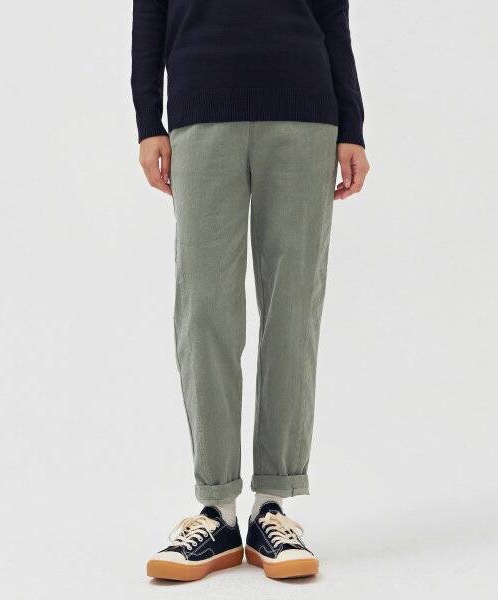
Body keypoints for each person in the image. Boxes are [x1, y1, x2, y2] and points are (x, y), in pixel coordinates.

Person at [132, 0, 369, 581]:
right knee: (204, 311)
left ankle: (273, 506)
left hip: (305, 116)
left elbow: (333, 19)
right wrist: (148, 122)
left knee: (293, 312)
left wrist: (353, 127)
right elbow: (149, 16)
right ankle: (216, 510)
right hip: (201, 114)